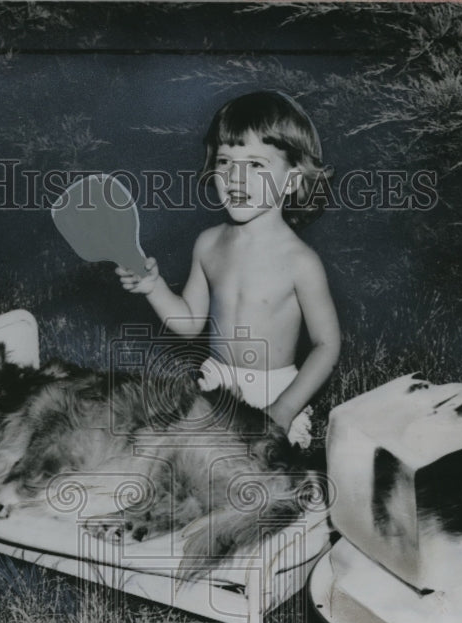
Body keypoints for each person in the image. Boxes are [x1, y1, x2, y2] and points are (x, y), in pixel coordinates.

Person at [117, 90, 340, 448]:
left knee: (266, 486)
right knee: (182, 471)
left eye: (255, 164)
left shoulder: (301, 262)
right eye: (224, 162)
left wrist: (283, 409)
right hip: (213, 387)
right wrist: (154, 288)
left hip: (275, 394)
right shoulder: (208, 244)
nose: (235, 177)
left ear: (294, 180)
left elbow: (326, 345)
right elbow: (189, 323)